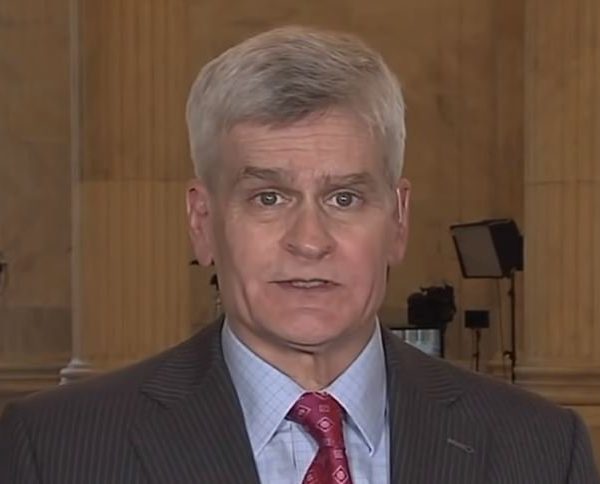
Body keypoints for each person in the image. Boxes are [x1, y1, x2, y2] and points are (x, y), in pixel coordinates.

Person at [0, 26, 598, 484]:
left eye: (344, 197)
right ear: (203, 224)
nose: (310, 241)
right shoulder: (56, 451)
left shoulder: (541, 450)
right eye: (268, 197)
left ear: (398, 219)